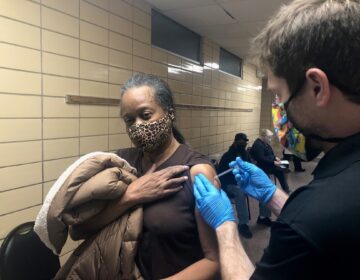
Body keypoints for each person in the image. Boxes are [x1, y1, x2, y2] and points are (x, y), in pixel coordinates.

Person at [192, 0, 360, 279]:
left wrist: (225, 227)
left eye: (280, 96)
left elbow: (311, 224)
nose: (280, 111)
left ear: (317, 87)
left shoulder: (320, 208)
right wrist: (274, 198)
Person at [116, 73, 220, 279]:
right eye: (129, 120)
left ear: (170, 113)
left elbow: (214, 260)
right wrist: (129, 197)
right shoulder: (122, 163)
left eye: (145, 116)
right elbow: (81, 229)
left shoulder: (197, 171)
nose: (137, 126)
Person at [217, 133, 272, 238]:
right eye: (241, 142)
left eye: (245, 142)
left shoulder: (245, 154)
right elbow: (221, 176)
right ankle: (243, 223)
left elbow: (249, 168)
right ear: (235, 142)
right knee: (240, 192)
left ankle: (263, 217)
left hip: (244, 181)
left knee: (262, 186)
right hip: (230, 184)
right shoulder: (227, 156)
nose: (243, 144)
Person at [250, 129, 291, 193]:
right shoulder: (258, 145)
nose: (270, 139)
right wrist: (273, 162)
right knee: (281, 171)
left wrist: (275, 158)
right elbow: (261, 158)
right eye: (269, 137)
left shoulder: (265, 143)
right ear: (263, 136)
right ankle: (285, 189)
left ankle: (285, 188)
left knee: (285, 168)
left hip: (269, 163)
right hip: (263, 166)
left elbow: (270, 154)